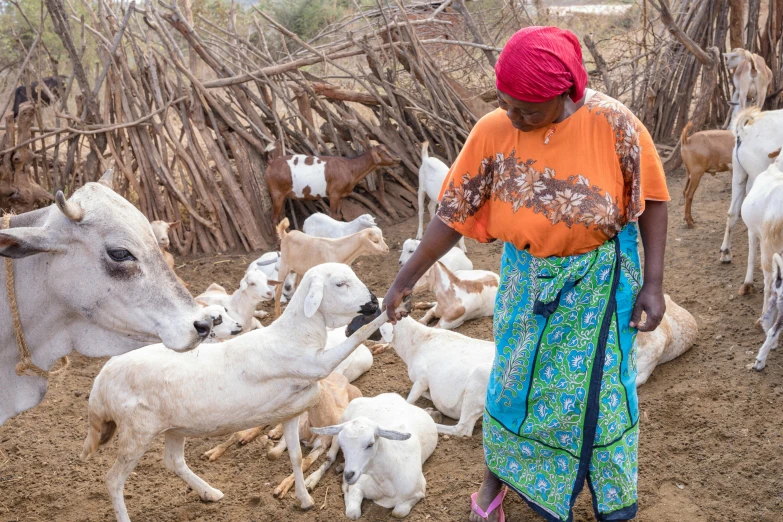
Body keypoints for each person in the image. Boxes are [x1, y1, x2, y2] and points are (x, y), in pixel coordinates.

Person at [383, 26, 669, 522]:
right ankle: (494, 487)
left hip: (600, 285)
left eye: (528, 110)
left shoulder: (615, 124)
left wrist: (654, 283)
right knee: (513, 384)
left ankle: (609, 497)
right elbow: (453, 212)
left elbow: (655, 198)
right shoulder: (494, 130)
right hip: (525, 281)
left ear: (567, 93)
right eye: (506, 103)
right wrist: (405, 278)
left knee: (598, 391)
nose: (514, 117)